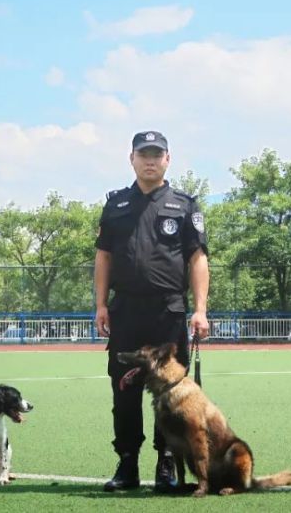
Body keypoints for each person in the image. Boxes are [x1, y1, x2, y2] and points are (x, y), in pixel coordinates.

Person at [94, 130, 210, 493]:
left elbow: (197, 259)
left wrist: (201, 309)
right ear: (131, 158)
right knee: (124, 389)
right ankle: (127, 463)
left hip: (168, 310)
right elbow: (104, 257)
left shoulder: (184, 205)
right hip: (125, 309)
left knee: (171, 394)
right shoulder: (115, 206)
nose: (150, 160)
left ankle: (166, 463)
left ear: (167, 159)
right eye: (143, 154)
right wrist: (100, 304)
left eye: (157, 154)